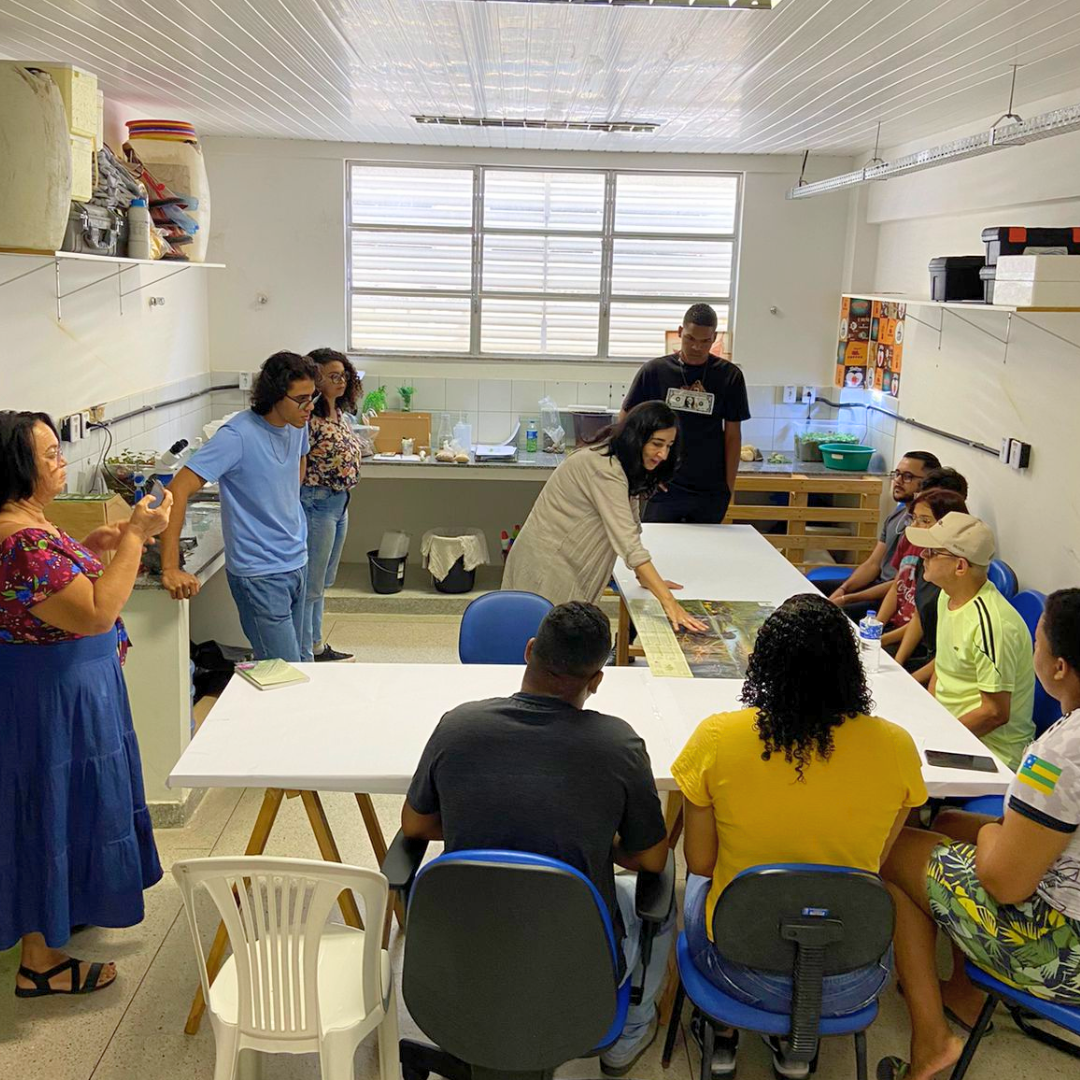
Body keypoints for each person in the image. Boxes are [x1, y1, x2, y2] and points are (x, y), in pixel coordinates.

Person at [401, 602, 675, 1076]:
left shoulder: (459, 725)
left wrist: (481, 816)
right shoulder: (618, 746)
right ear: (597, 679)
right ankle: (626, 1039)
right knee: (664, 901)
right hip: (571, 973)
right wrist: (594, 837)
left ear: (529, 651)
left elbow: (415, 827)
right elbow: (651, 859)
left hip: (460, 953)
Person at [672, 593, 927, 1078]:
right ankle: (796, 1046)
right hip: (852, 977)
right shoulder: (896, 746)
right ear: (850, 668)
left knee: (694, 892)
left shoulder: (718, 737)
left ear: (762, 664)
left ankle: (723, 1035)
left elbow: (701, 863)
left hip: (738, 968)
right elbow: (873, 860)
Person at [0, 411, 171, 996]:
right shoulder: (17, 538)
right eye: (48, 455)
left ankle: (59, 914)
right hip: (49, 701)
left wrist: (96, 545)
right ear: (15, 467)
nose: (60, 461)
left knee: (75, 808)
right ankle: (39, 964)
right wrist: (137, 537)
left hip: (72, 691)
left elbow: (62, 594)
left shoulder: (30, 524)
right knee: (48, 812)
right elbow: (97, 609)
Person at [879, 588, 1080, 1080]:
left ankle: (931, 1042)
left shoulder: (1062, 755)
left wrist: (992, 836)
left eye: (1038, 640)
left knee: (892, 846)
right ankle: (962, 993)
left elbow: (1005, 882)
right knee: (945, 823)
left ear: (1058, 667)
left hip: (1058, 947)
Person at [159, 352, 317, 662]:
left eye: (312, 397)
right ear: (274, 396)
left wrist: (280, 505)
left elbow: (299, 461)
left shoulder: (298, 425)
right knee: (284, 671)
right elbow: (176, 490)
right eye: (301, 399)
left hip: (297, 561)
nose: (310, 407)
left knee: (304, 663)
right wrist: (170, 568)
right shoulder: (237, 436)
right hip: (259, 574)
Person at [502, 401, 707, 633]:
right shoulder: (604, 468)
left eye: (669, 446)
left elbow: (631, 528)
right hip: (548, 567)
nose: (663, 454)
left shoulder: (624, 465)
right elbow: (628, 544)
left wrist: (647, 580)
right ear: (636, 438)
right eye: (657, 444)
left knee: (553, 646)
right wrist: (669, 602)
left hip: (567, 565)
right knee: (538, 645)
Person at [905, 512, 1035, 771]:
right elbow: (943, 669)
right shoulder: (947, 596)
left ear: (960, 566)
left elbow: (995, 713)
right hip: (951, 726)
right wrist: (929, 715)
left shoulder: (993, 625)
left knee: (898, 764)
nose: (923, 556)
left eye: (932, 552)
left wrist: (938, 740)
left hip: (989, 751)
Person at [620, 303, 750, 524]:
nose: (697, 347)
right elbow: (625, 421)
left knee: (703, 552)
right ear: (680, 332)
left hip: (710, 488)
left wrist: (728, 487)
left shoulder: (730, 377)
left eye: (705, 341)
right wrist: (638, 471)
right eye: (690, 339)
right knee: (658, 548)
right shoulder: (655, 371)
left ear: (714, 338)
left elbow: (733, 435)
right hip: (662, 485)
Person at [300, 347, 363, 663]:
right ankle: (307, 649)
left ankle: (315, 643)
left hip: (340, 504)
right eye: (333, 376)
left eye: (344, 375)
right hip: (316, 503)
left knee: (323, 580)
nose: (341, 381)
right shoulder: (307, 417)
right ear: (316, 379)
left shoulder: (341, 414)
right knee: (311, 582)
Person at [829, 450, 941, 612]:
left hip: (893, 596)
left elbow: (901, 583)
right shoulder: (897, 514)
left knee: (830, 614)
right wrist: (844, 589)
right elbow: (873, 564)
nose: (898, 481)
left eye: (908, 476)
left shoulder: (926, 530)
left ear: (928, 484)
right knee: (810, 592)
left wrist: (848, 598)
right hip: (876, 584)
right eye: (897, 474)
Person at [876, 488, 968, 656]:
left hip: (927, 648)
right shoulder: (925, 558)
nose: (915, 526)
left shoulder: (949, 570)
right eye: (914, 519)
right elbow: (915, 613)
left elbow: (943, 654)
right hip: (910, 636)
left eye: (925, 521)